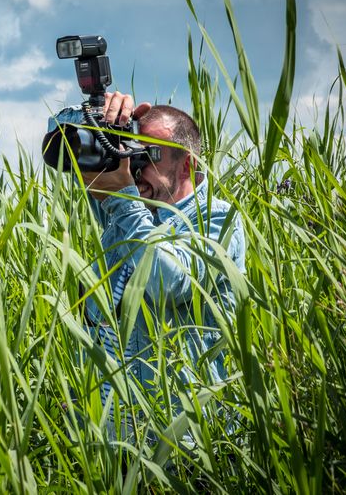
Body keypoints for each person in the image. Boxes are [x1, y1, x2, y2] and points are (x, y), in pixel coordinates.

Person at [46, 92, 247, 434]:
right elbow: (60, 141)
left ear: (187, 164)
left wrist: (124, 200)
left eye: (148, 155)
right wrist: (99, 117)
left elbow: (165, 282)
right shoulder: (131, 209)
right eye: (131, 152)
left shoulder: (217, 220)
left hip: (182, 444)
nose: (134, 169)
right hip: (113, 441)